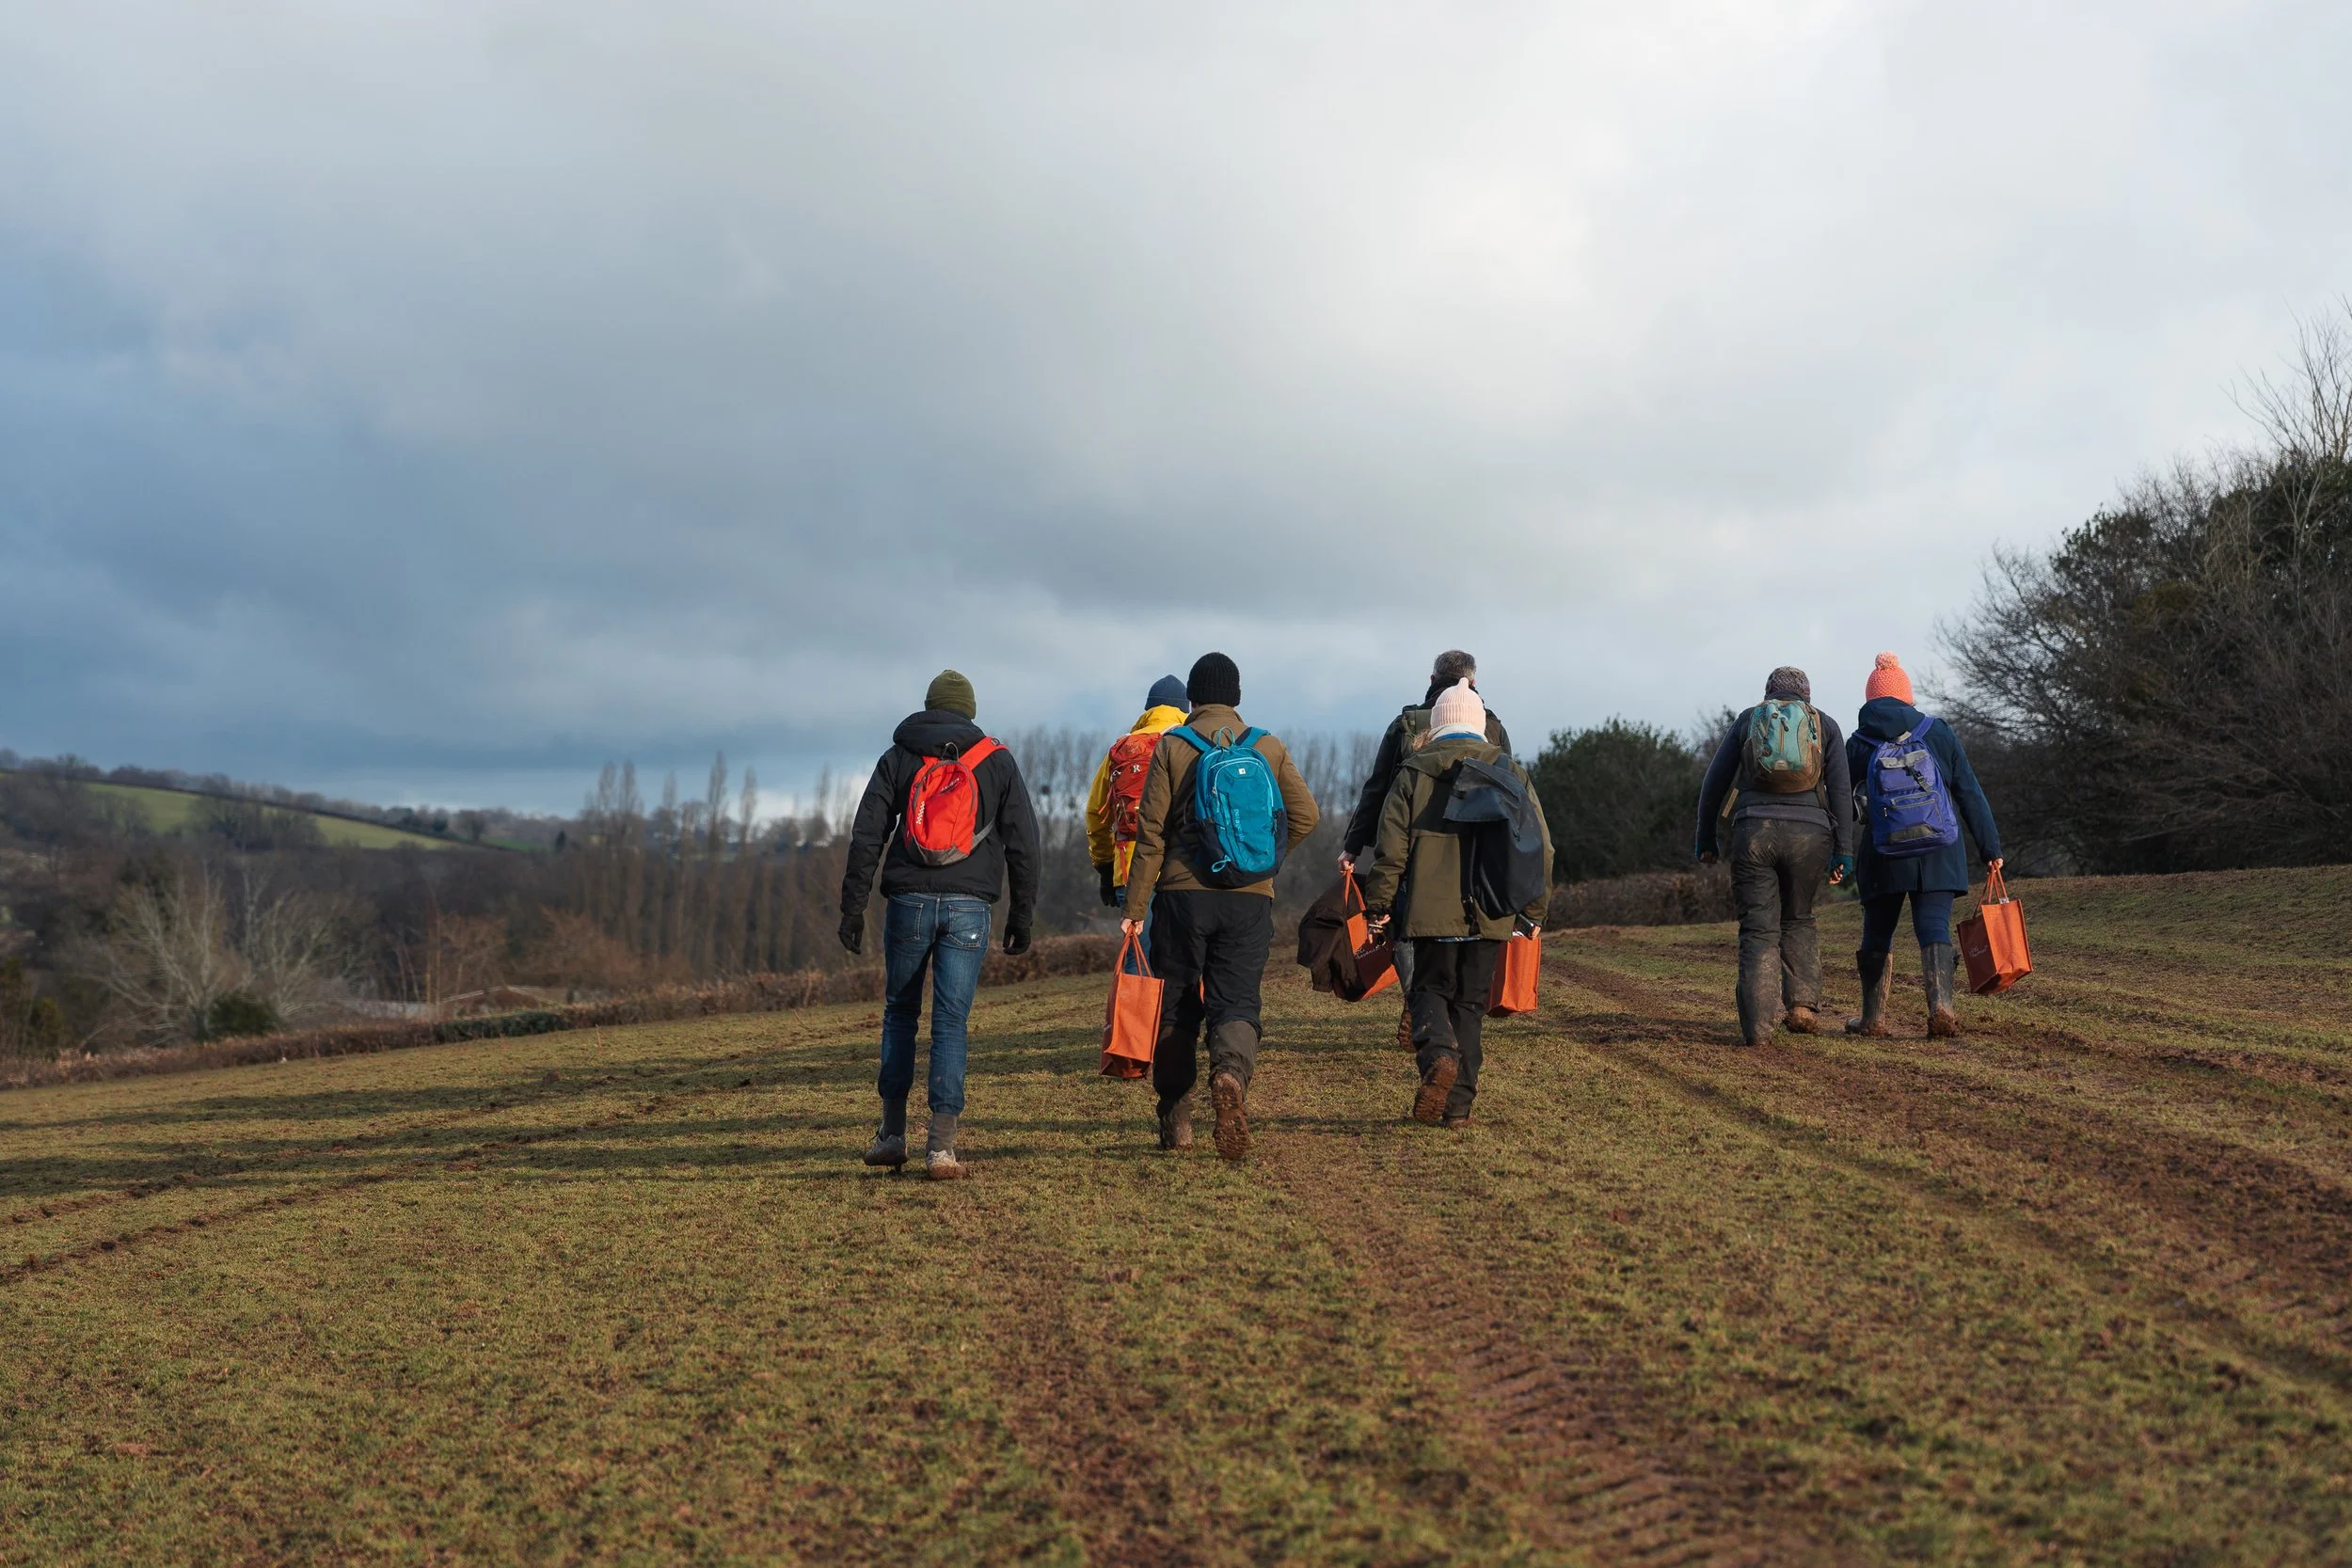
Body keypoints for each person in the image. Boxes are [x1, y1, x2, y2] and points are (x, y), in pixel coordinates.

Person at [838, 669, 1040, 1180]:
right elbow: (1024, 843)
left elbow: (867, 835)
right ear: (969, 711)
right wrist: (1021, 916)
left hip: (908, 899)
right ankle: (942, 1148)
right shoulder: (996, 761)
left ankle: (891, 1135)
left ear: (928, 707)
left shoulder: (899, 756)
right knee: (951, 1021)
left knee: (900, 1013)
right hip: (970, 908)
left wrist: (852, 907)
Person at [1121, 653, 1319, 1159]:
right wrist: (1263, 865)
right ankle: (1230, 1074)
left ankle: (1177, 1119)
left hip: (1181, 897)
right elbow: (1306, 815)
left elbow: (1151, 834)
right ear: (1236, 697)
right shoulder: (1266, 746)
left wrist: (1136, 904)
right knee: (1236, 1001)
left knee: (1177, 1006)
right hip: (1248, 902)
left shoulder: (1173, 746)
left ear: (1191, 698)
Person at [1359, 680, 1551, 1127]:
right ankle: (1459, 1107)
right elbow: (1541, 845)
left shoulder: (1412, 772)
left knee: (1429, 992)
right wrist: (1535, 910)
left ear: (1439, 722)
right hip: (1490, 913)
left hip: (1429, 912)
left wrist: (1379, 905)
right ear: (1480, 724)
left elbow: (1391, 849)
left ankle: (1439, 1058)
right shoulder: (1510, 770)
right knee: (1469, 1005)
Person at [1339, 650, 1512, 1047]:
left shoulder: (1405, 724)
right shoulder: (1493, 727)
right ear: (1472, 679)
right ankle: (1442, 1008)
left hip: (1412, 841)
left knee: (1406, 925)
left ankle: (1419, 1000)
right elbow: (1510, 797)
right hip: (1474, 849)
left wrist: (1353, 846)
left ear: (1433, 677)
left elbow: (1377, 789)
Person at [1843, 652, 2003, 1037]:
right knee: (1934, 926)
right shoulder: (1938, 732)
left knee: (1877, 932)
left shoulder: (1858, 743)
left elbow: (1841, 803)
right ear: (1907, 698)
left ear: (1870, 700)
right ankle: (1942, 1009)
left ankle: (1873, 1019)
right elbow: (1968, 791)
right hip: (1938, 851)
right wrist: (1990, 848)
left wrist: (1840, 855)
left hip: (1884, 853)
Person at [1693, 667, 1855, 1047]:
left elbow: (1714, 782)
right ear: (1807, 696)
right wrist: (1843, 850)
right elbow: (1842, 791)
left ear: (1768, 693)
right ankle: (1801, 1006)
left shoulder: (1750, 720)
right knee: (1799, 918)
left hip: (1754, 832)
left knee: (1759, 929)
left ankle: (1758, 1026)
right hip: (1810, 836)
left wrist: (1705, 837)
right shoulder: (1825, 724)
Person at [1086, 674, 1190, 969]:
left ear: (1148, 710)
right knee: (1182, 957)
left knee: (1138, 956)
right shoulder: (1191, 745)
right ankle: (1175, 1015)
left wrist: (1106, 870)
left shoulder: (1122, 748)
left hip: (1130, 867)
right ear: (1185, 710)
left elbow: (1096, 814)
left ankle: (1135, 1015)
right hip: (1182, 868)